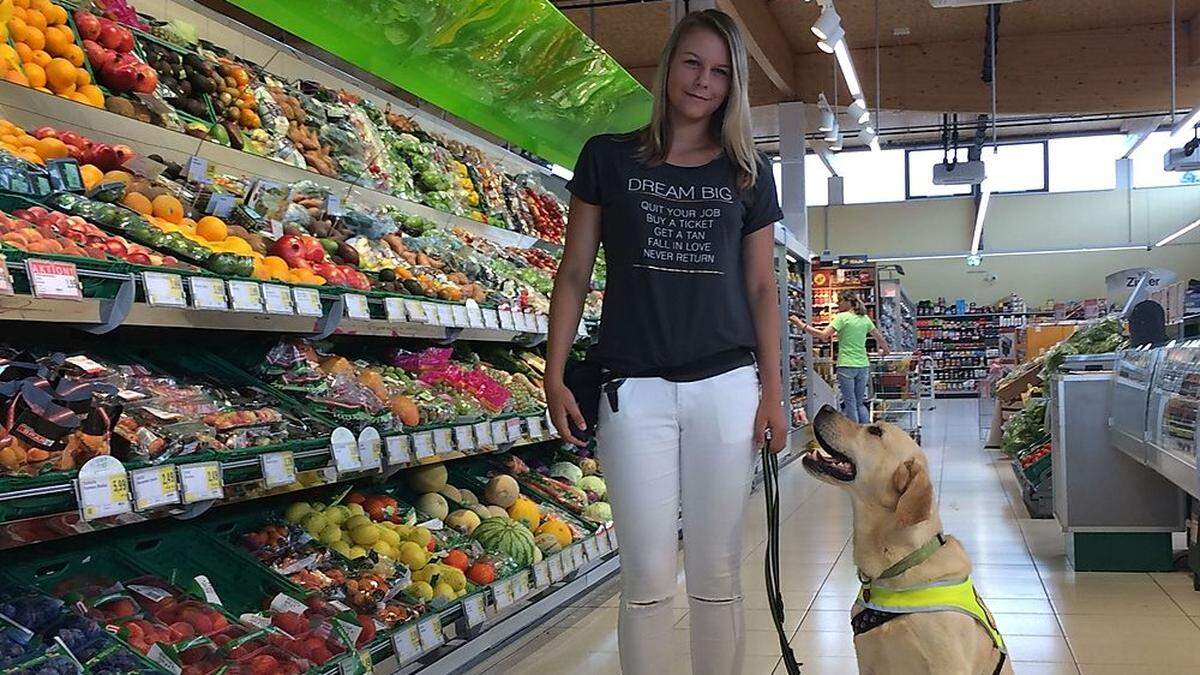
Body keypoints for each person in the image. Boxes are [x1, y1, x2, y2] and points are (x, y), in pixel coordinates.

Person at [543, 9, 786, 675]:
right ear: (668, 65)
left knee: (716, 572)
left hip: (726, 389)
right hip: (633, 393)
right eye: (693, 63)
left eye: (720, 72)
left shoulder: (747, 172)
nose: (704, 82)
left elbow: (763, 288)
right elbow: (573, 271)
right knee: (647, 578)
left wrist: (775, 393)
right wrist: (553, 371)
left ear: (734, 85)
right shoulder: (607, 157)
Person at [792, 292, 890, 423]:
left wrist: (801, 325)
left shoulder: (842, 317)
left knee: (850, 403)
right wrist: (884, 351)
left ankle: (853, 437)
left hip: (846, 365)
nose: (838, 304)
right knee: (860, 403)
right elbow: (881, 339)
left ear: (848, 302)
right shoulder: (865, 319)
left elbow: (823, 335)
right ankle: (866, 433)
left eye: (840, 301)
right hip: (863, 366)